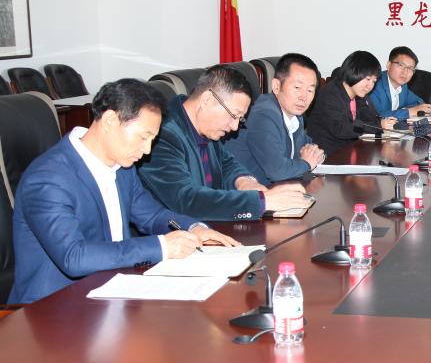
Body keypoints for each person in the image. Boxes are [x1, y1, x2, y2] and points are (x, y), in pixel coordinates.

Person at [9, 79, 240, 304]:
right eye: (143, 137)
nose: (147, 150)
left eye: (152, 140)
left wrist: (194, 228)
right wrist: (161, 246)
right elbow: (74, 257)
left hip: (113, 292)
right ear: (110, 120)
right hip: (55, 308)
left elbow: (152, 215)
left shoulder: (122, 167)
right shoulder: (48, 179)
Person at [138, 65, 310, 221]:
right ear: (207, 100)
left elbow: (227, 163)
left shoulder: (204, 126)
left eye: (240, 119)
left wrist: (245, 181)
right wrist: (262, 202)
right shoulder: (161, 135)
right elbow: (186, 200)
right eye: (233, 115)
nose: (234, 127)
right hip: (176, 235)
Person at [223, 53, 326, 186]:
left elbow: (307, 148)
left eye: (310, 90)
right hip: (245, 193)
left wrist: (315, 155)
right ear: (276, 86)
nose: (303, 97)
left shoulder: (296, 115)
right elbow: (277, 171)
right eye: (297, 87)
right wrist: (307, 164)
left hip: (276, 188)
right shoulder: (264, 115)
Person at [306, 50, 397, 155]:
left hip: (350, 150)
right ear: (353, 72)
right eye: (368, 79)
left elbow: (371, 117)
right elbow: (341, 129)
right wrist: (378, 126)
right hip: (327, 155)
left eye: (374, 81)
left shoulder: (359, 94)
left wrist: (382, 123)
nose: (370, 86)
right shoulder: (330, 94)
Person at [368, 46, 431, 121]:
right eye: (401, 65)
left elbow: (418, 102)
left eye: (410, 68)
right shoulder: (374, 85)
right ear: (389, 65)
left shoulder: (403, 86)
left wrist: (414, 109)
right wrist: (409, 112)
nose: (405, 72)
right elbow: (377, 116)